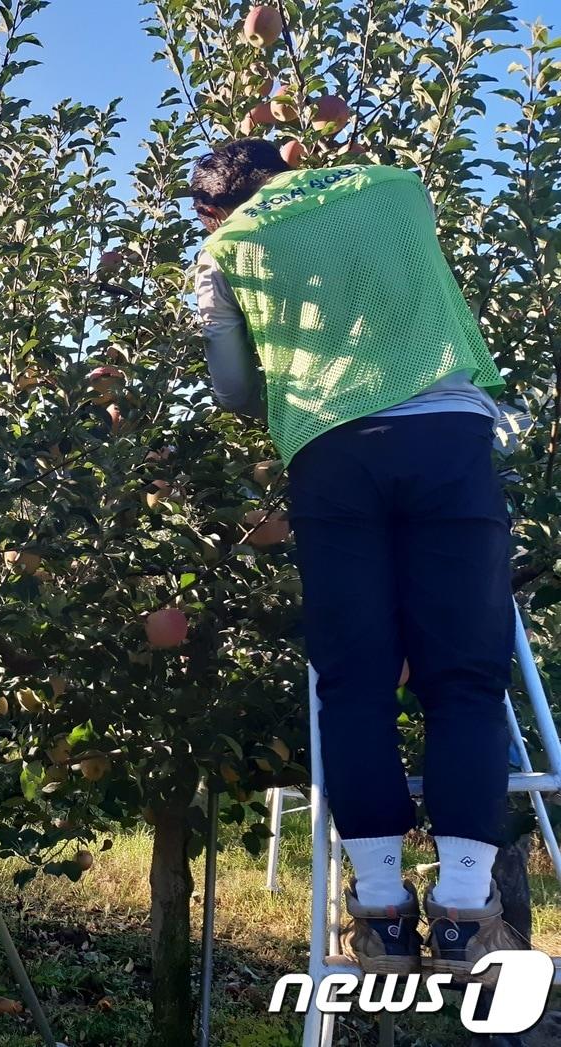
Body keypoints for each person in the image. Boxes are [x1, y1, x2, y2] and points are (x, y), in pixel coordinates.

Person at [190, 140, 521, 982]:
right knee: (466, 678)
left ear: (212, 209)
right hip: (447, 433)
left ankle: (377, 913)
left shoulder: (224, 250)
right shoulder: (395, 185)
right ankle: (465, 915)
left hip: (332, 454)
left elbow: (230, 389)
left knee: (355, 678)